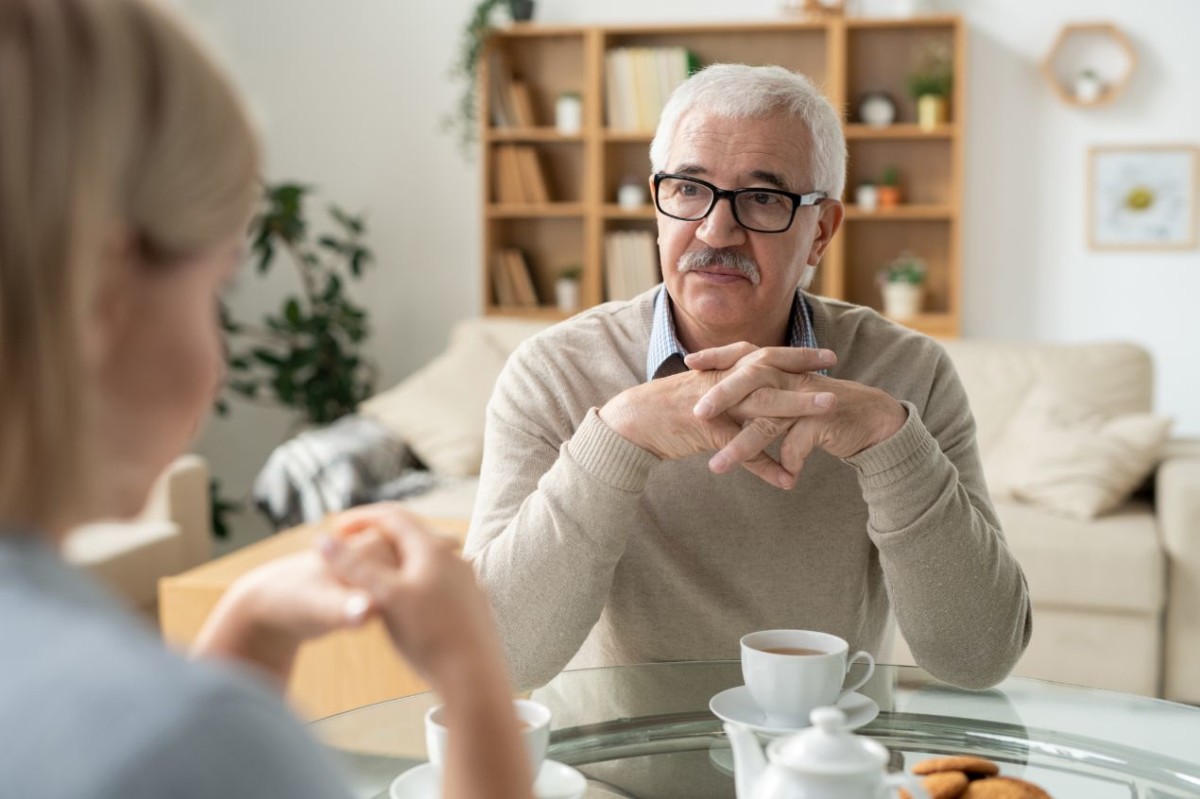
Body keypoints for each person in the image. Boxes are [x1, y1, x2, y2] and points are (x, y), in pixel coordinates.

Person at [0, 1, 530, 797]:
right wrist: (474, 676)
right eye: (219, 288)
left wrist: (249, 622)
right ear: (102, 295)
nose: (216, 364)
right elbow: (173, 754)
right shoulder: (186, 736)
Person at [465, 63, 1032, 693]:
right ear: (658, 204)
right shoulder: (553, 373)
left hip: (831, 773)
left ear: (821, 230)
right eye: (688, 188)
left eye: (764, 198)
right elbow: (495, 663)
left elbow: (979, 659)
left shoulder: (909, 374)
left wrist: (887, 440)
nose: (716, 229)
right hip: (617, 777)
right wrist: (619, 437)